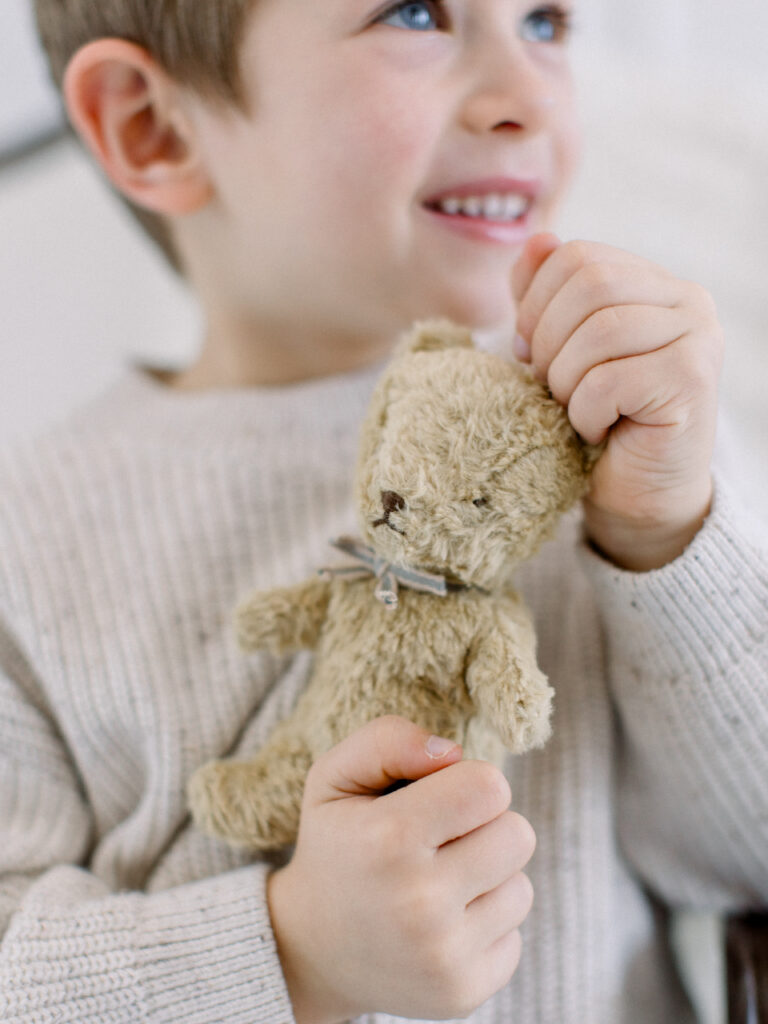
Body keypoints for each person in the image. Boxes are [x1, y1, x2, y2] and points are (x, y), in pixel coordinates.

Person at [1, 0, 766, 1021]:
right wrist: (290, 952)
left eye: (544, 21)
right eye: (416, 13)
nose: (526, 96)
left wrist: (665, 542)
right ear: (155, 126)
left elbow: (747, 855)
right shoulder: (28, 536)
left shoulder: (631, 434)